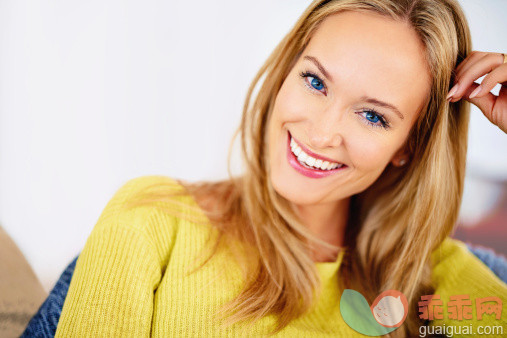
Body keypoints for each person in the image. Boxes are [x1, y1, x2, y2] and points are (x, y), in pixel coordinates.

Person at [26, 0, 507, 337]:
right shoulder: (155, 219)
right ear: (285, 72)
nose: (320, 134)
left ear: (407, 147)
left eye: (372, 115)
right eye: (315, 81)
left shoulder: (432, 277)